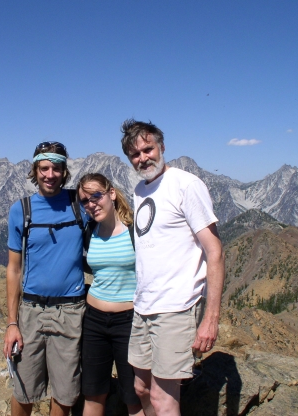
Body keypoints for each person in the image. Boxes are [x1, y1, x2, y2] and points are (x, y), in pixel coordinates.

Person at [120, 119, 225, 416]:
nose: (143, 158)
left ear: (162, 147)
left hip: (176, 307)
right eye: (135, 154)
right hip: (144, 306)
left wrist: (211, 318)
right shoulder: (140, 189)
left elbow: (215, 252)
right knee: (141, 389)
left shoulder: (186, 185)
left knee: (163, 399)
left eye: (148, 149)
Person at [4, 141, 86, 416]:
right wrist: (12, 323)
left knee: (65, 392)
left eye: (56, 169)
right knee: (23, 388)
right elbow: (14, 269)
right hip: (31, 311)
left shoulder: (79, 204)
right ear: (35, 170)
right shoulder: (21, 210)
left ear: (64, 171)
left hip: (71, 311)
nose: (50, 175)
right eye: (44, 168)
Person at [76, 173, 146, 416]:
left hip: (129, 321)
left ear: (112, 194)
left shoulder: (135, 231)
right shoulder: (89, 231)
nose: (91, 204)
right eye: (85, 201)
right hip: (93, 321)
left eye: (96, 196)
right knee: (93, 394)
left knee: (135, 395)